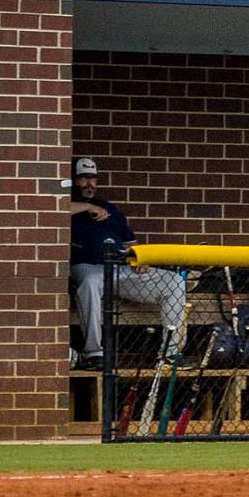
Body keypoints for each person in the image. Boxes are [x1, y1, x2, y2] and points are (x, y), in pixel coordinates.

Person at [68, 157, 187, 369]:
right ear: (74, 180)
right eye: (84, 178)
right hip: (88, 268)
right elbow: (49, 209)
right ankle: (94, 353)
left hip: (120, 269)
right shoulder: (67, 206)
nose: (89, 184)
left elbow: (131, 243)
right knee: (90, 283)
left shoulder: (110, 209)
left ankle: (170, 354)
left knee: (175, 281)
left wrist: (139, 258)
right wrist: (86, 207)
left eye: (93, 178)